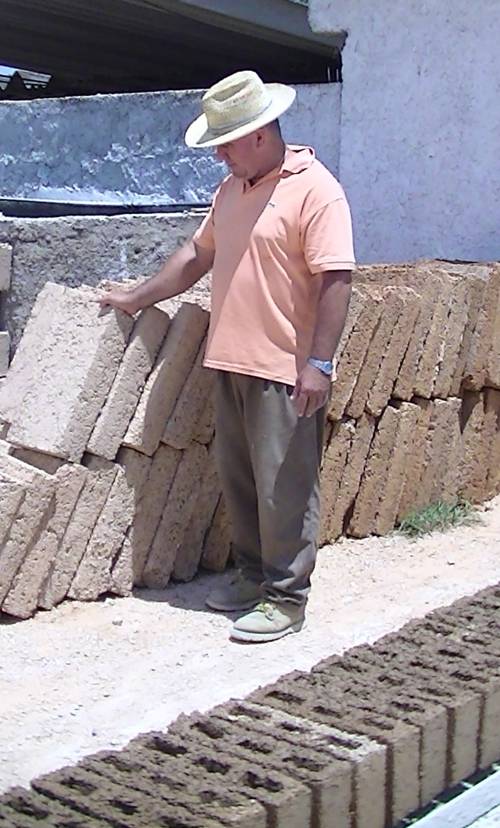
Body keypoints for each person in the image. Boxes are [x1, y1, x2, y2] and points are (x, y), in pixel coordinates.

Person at [99, 70, 355, 644]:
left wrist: (319, 364)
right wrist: (137, 297)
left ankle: (287, 599)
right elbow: (197, 253)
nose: (219, 155)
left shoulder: (316, 190)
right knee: (240, 483)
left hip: (285, 370)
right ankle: (251, 576)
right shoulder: (231, 191)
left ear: (260, 134)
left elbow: (336, 278)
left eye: (226, 143)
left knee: (283, 487)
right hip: (232, 360)